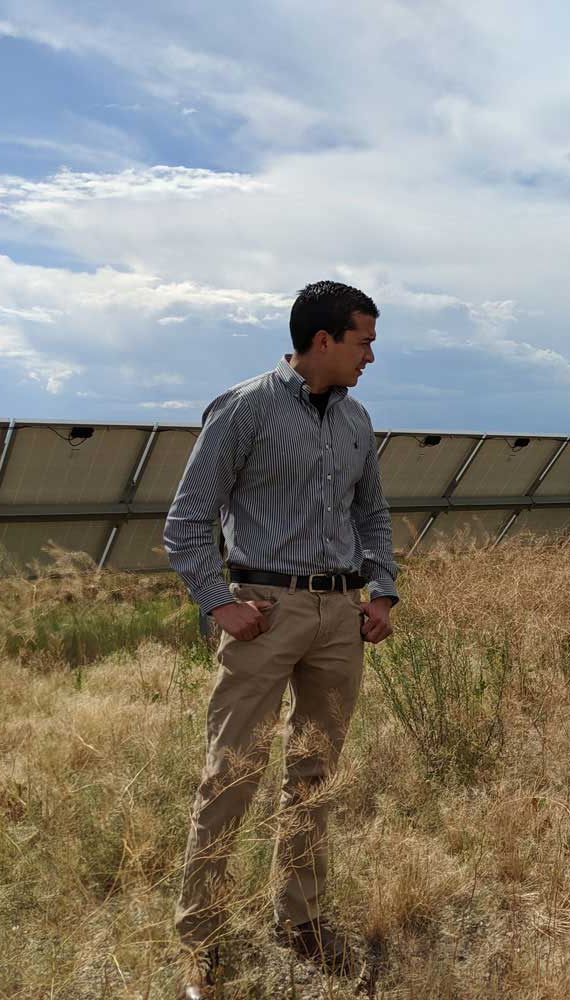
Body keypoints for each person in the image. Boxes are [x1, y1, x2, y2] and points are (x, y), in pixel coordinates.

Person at [163, 280, 398, 997]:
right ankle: (202, 937)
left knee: (316, 772)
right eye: (363, 341)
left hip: (340, 618)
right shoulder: (245, 409)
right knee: (232, 773)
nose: (370, 357)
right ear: (322, 340)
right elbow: (186, 521)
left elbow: (374, 516)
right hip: (265, 610)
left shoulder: (356, 419)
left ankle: (301, 920)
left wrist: (382, 591)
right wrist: (217, 603)